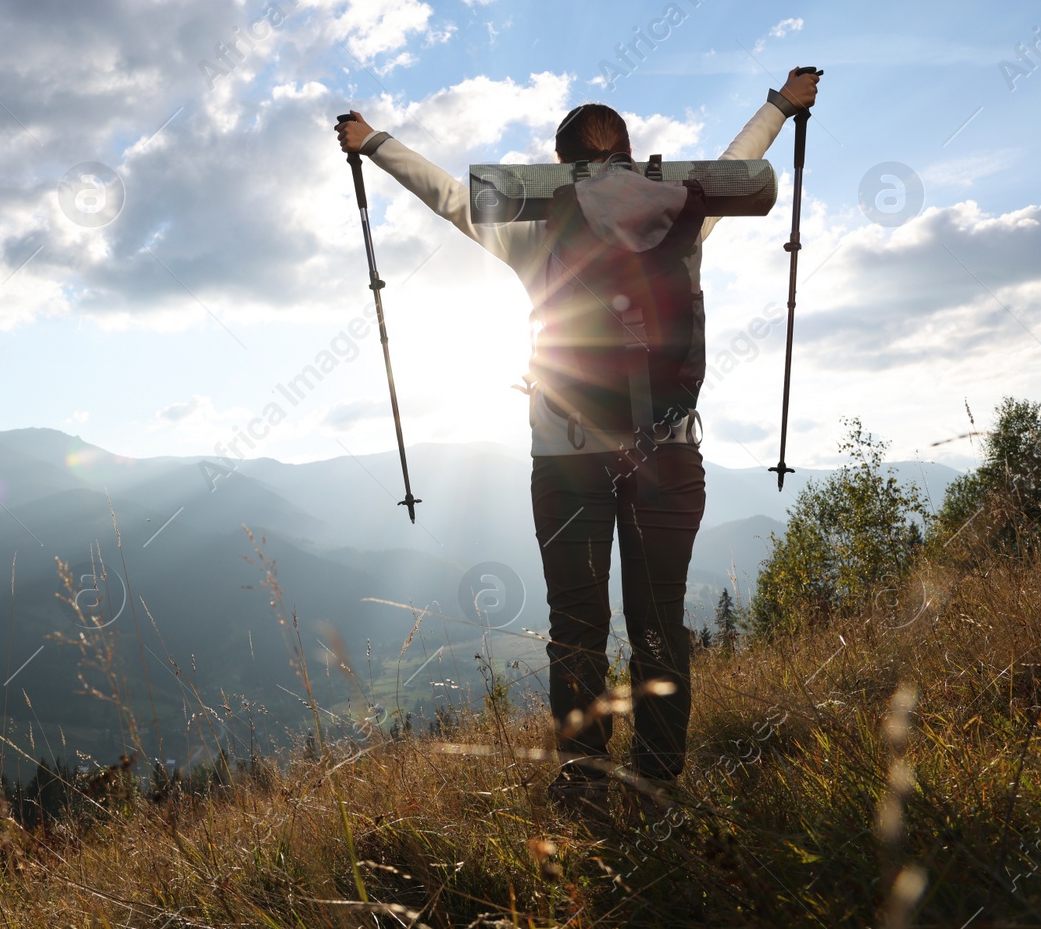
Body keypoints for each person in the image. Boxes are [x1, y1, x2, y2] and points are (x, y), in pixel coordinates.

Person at [334, 68, 821, 818]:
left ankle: (587, 787)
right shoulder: (680, 214)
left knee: (577, 626)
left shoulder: (538, 225)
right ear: (634, 155)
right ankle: (659, 789)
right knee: (659, 622)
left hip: (566, 456)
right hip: (668, 452)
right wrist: (781, 106)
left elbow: (448, 198)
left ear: (560, 166)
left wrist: (373, 144)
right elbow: (739, 154)